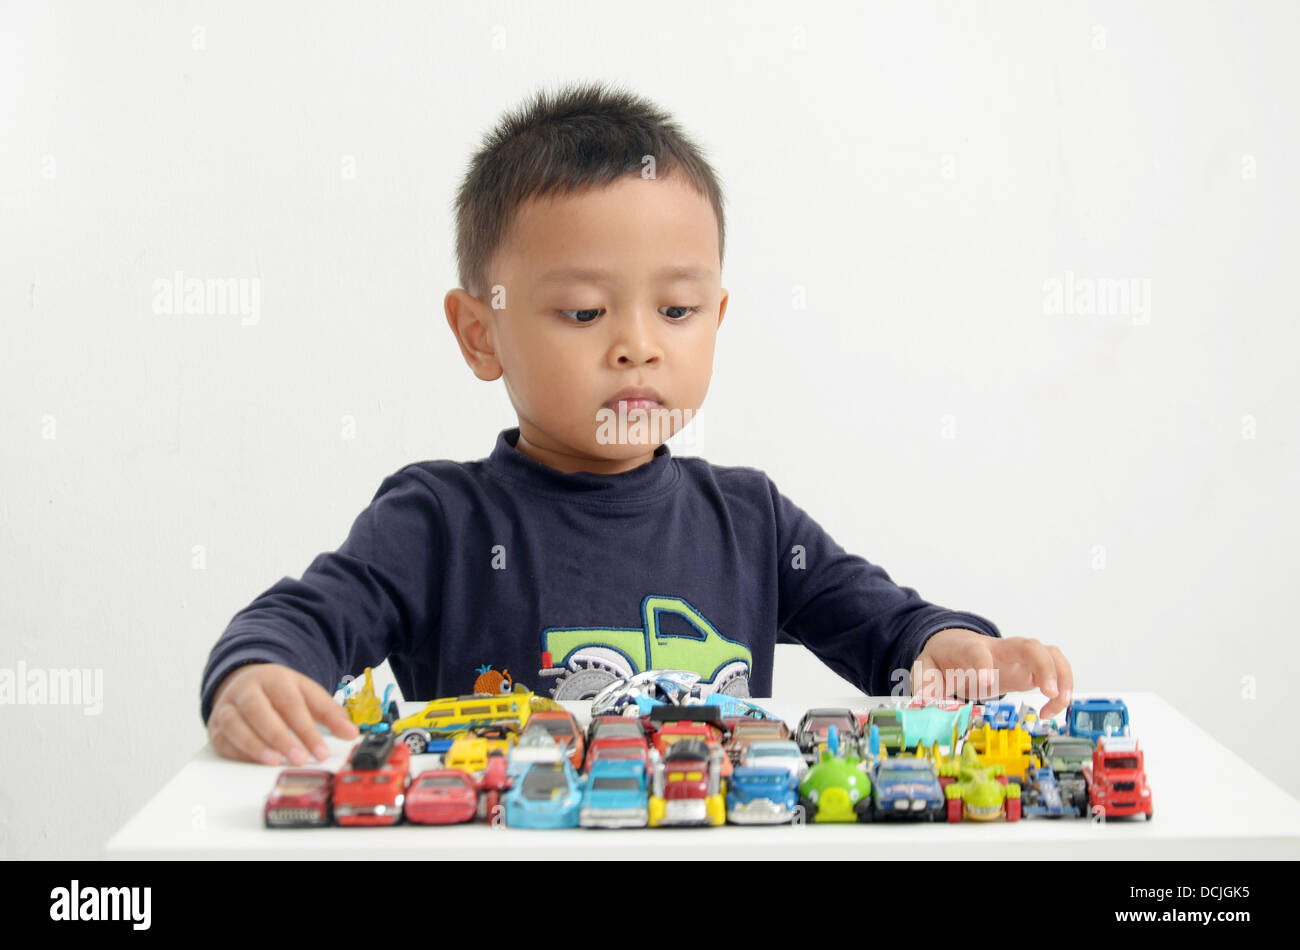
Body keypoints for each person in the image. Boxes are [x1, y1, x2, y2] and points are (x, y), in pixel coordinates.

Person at [202, 80, 1072, 765]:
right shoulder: (437, 522)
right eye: (584, 313)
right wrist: (260, 673)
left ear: (718, 317)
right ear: (481, 333)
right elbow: (303, 620)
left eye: (678, 309)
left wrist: (954, 650)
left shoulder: (751, 521)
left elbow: (886, 628)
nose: (637, 346)